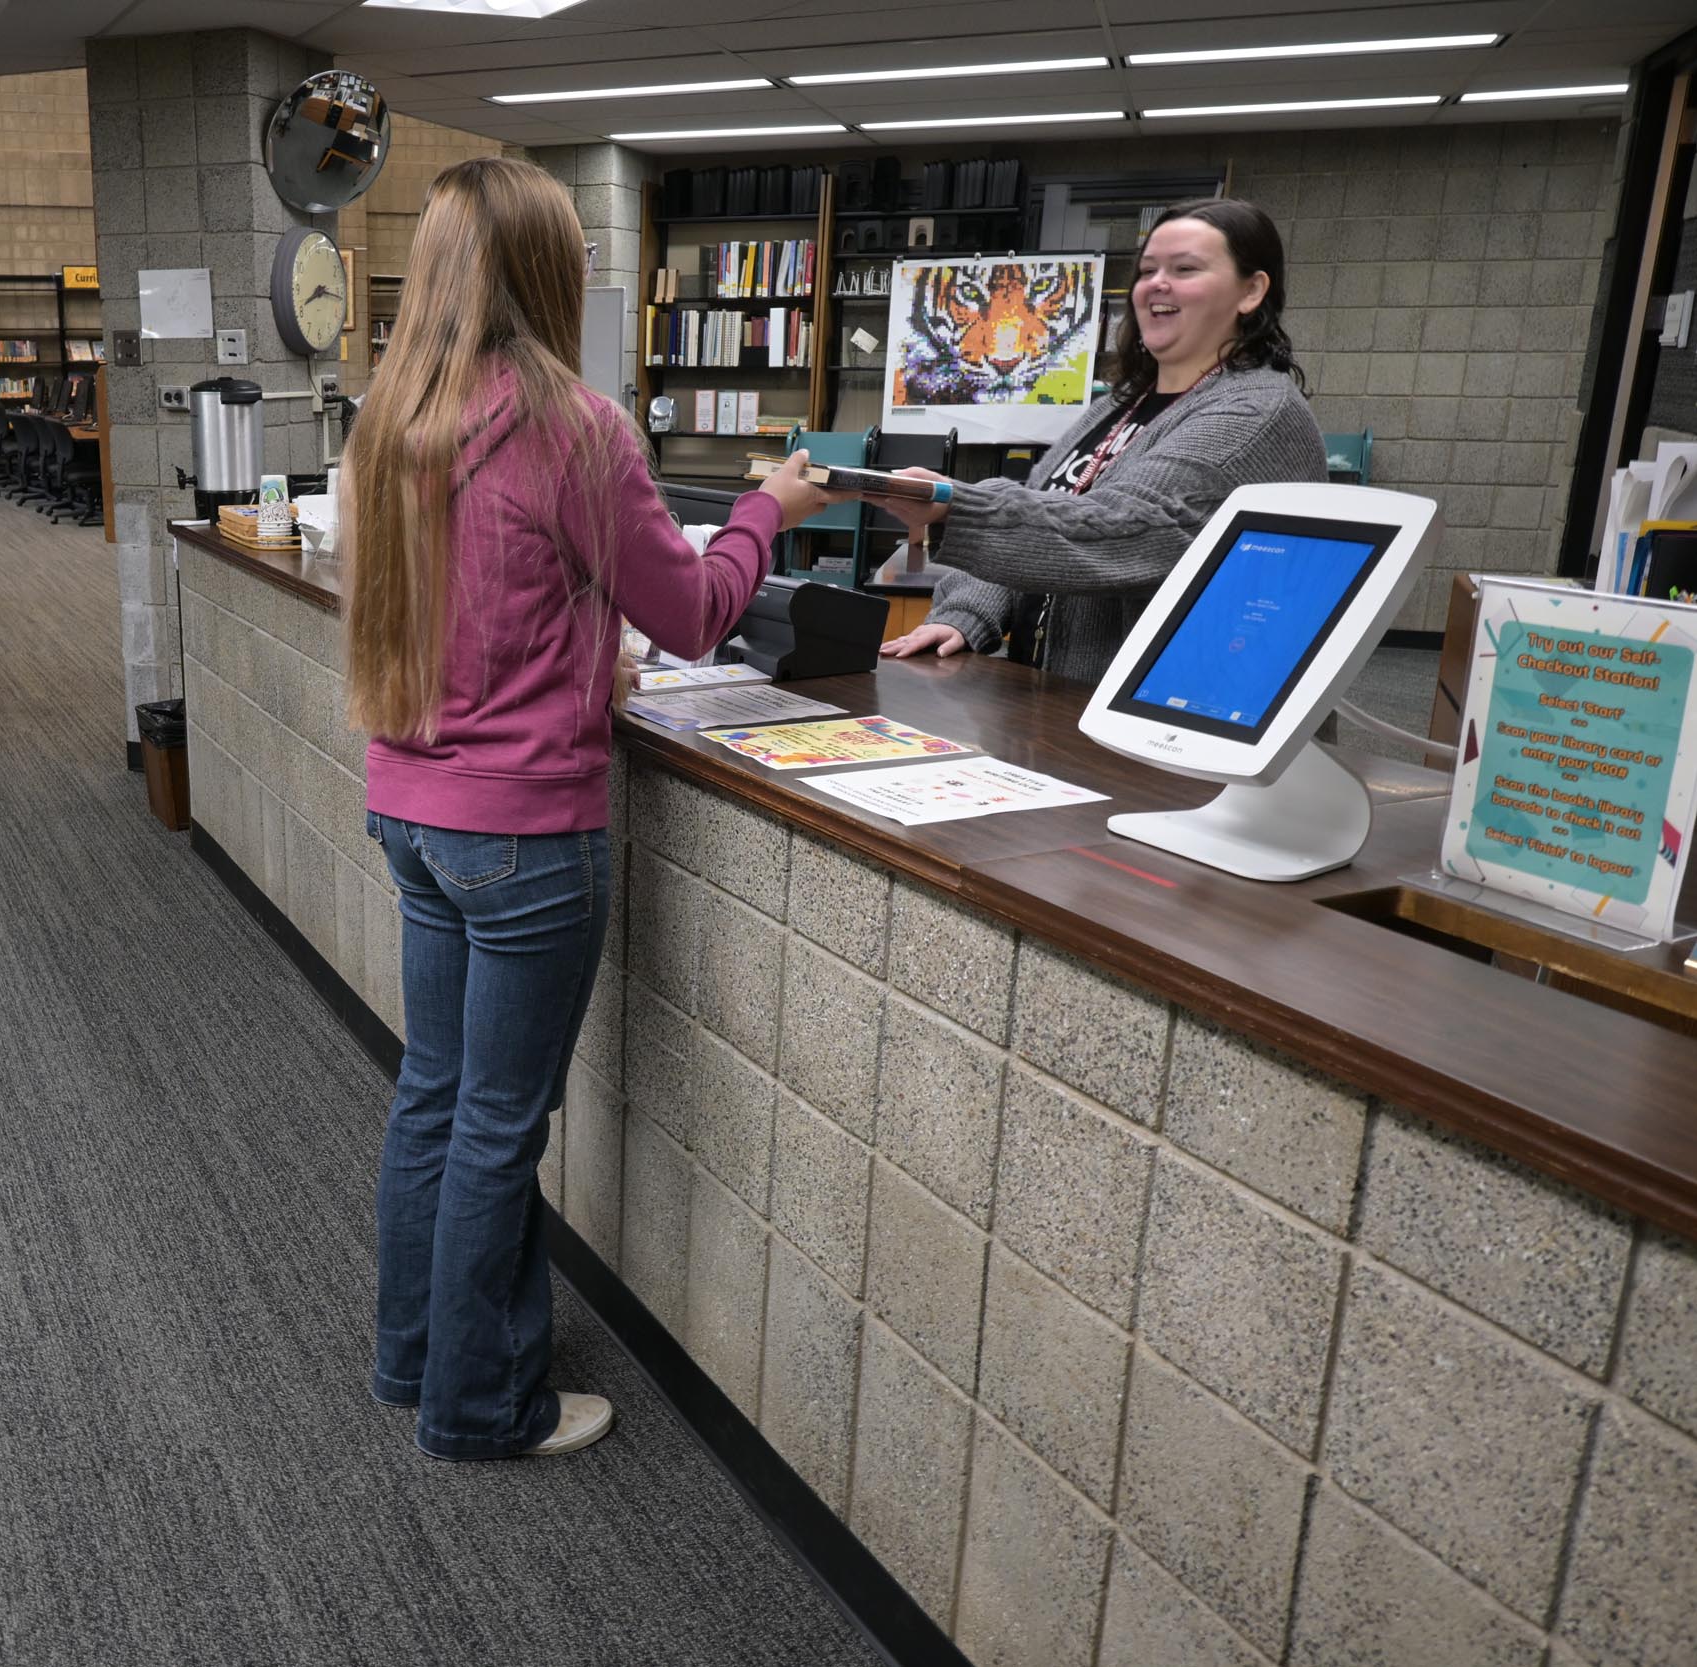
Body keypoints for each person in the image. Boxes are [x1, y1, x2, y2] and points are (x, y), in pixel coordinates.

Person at [343, 156, 853, 1461]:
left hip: (409, 805)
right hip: (522, 831)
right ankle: (479, 1404)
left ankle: (415, 1360)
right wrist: (766, 509)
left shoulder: (392, 413)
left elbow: (469, 605)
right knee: (499, 1124)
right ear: (548, 271)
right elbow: (689, 610)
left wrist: (577, 648)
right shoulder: (576, 425)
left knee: (435, 1098)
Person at [875, 199, 1328, 684]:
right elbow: (1041, 512)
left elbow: (1124, 533)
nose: (1157, 283)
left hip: (1174, 719)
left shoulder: (1254, 412)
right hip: (1057, 700)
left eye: (1185, 269)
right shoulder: (1122, 404)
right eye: (1148, 269)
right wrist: (963, 614)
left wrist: (956, 507)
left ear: (1252, 290)